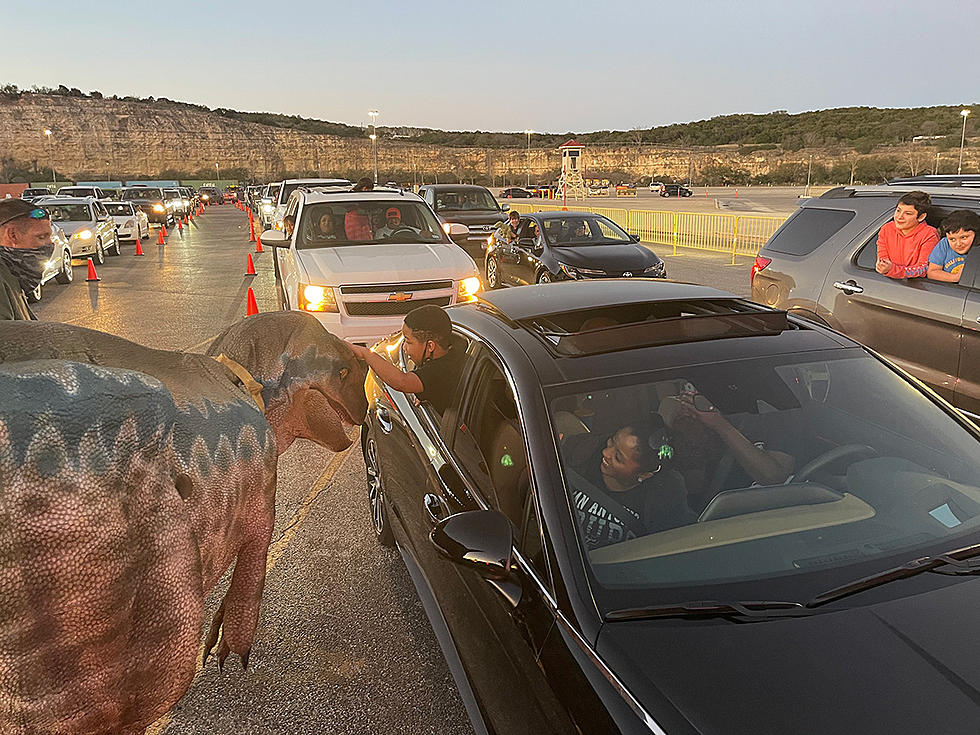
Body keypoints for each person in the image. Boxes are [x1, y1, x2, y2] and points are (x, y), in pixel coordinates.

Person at [562, 416, 693, 550]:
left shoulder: (663, 499)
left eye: (618, 457)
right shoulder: (581, 452)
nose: (606, 452)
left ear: (644, 474)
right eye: (611, 441)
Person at [659, 386, 794, 514]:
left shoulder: (774, 414)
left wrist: (719, 424)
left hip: (770, 516)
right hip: (709, 522)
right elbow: (695, 487)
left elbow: (774, 476)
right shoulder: (684, 447)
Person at [347, 305, 467, 415]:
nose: (404, 348)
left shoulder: (440, 372)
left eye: (408, 342)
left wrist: (366, 354)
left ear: (430, 346)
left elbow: (402, 382)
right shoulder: (459, 349)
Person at [0, 199, 54, 321]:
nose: (50, 244)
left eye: (50, 236)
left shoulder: (11, 274)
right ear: (13, 235)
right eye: (41, 237)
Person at [875, 191, 939, 279]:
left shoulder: (929, 234)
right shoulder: (887, 229)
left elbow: (923, 269)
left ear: (921, 217)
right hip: (886, 284)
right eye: (898, 211)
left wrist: (894, 270)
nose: (899, 217)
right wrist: (883, 267)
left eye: (908, 214)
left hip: (915, 287)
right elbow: (883, 259)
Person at [927, 209, 978, 283]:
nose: (958, 244)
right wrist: (956, 277)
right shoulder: (944, 244)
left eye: (964, 237)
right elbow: (932, 272)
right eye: (952, 239)